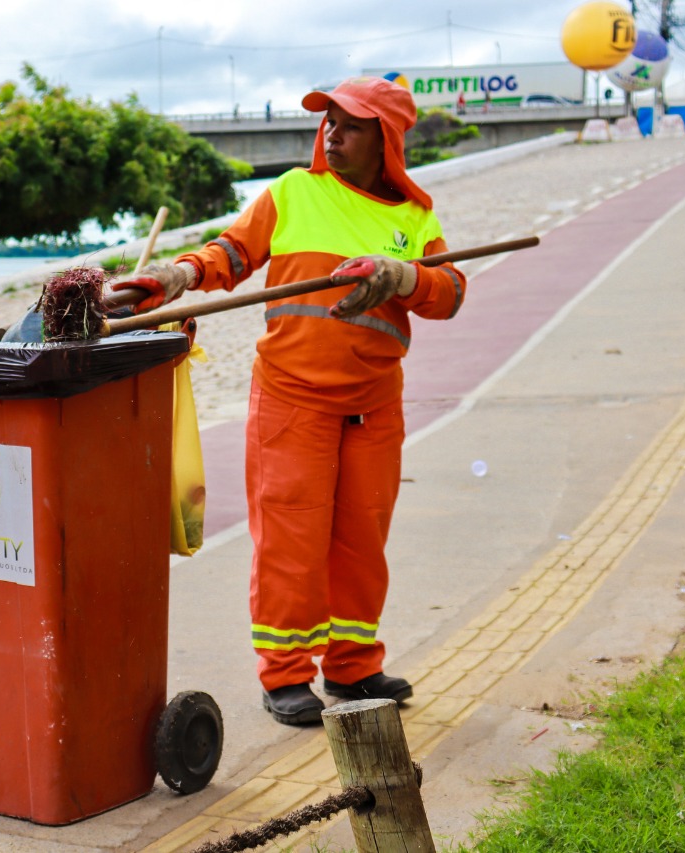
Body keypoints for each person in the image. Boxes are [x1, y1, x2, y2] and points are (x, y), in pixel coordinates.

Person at [111, 77, 467, 726]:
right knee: (290, 540)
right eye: (328, 120)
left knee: (362, 541)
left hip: (375, 404)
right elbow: (230, 253)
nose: (332, 132)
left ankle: (353, 668)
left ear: (385, 141)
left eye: (351, 124)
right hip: (292, 398)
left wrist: (402, 275)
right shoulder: (292, 192)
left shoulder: (413, 218)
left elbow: (450, 292)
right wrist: (178, 274)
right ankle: (286, 674)